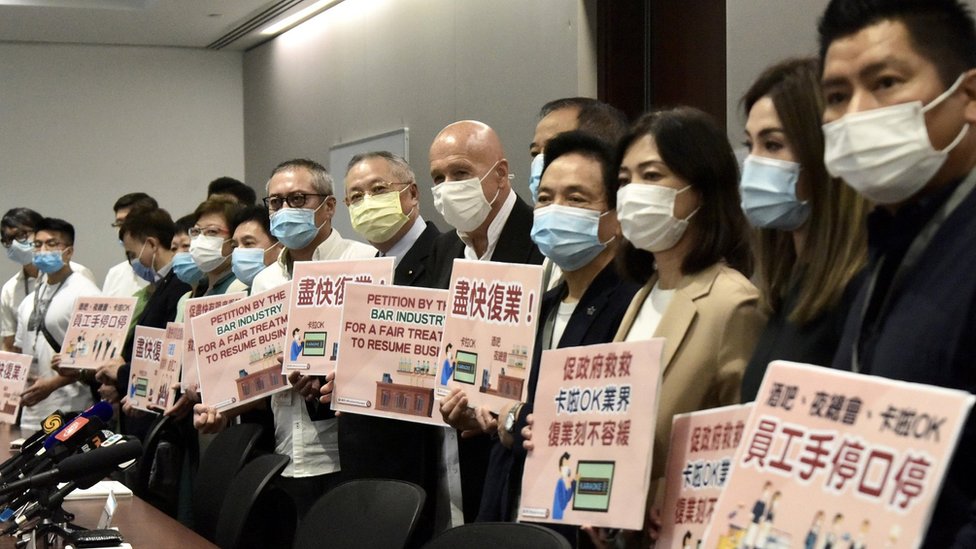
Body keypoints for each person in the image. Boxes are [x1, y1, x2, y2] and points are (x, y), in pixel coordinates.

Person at [818, 0, 976, 546]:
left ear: (969, 96)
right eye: (836, 97)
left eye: (885, 82)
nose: (856, 114)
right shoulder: (886, 246)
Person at [468, 131, 638, 547]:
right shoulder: (540, 305)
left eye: (576, 199)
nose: (554, 211)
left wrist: (514, 418)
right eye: (545, 199)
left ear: (615, 217)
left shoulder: (633, 305)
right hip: (511, 510)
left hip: (579, 523)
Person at [613, 107, 765, 543]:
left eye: (652, 175)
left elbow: (745, 445)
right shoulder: (644, 294)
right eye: (625, 180)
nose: (633, 192)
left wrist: (674, 494)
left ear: (702, 190)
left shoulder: (733, 304)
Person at [194, 158, 373, 519]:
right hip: (284, 452)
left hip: (347, 454)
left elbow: (376, 357)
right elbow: (258, 372)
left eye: (297, 199)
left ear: (329, 206)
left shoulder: (366, 262)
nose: (284, 210)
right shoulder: (264, 281)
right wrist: (222, 409)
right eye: (275, 202)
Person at [426, 120, 544, 524]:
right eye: (437, 178)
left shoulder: (540, 240)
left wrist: (500, 411)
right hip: (450, 458)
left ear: (499, 173)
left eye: (460, 173)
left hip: (516, 460)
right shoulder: (443, 249)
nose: (446, 187)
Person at [738, 57, 869, 401]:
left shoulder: (860, 285)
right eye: (749, 145)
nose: (753, 163)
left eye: (773, 145)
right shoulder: (787, 287)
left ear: (822, 151)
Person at [331, 150, 442, 545]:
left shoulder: (446, 256)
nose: (366, 204)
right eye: (355, 197)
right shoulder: (362, 273)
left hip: (422, 458)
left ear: (411, 195)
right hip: (367, 454)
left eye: (378, 190)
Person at [529, 98, 629, 291]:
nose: (542, 162)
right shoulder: (549, 252)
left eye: (558, 148)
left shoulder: (635, 289)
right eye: (535, 153)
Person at [13, 217, 101, 430]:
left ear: (68, 252)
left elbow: (95, 359)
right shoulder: (29, 299)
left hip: (71, 407)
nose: (42, 250)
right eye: (37, 244)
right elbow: (20, 351)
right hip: (30, 410)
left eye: (51, 244)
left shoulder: (86, 294)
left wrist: (52, 384)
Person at [2, 208, 96, 352]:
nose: (14, 244)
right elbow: (12, 344)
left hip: (67, 370)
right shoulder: (14, 291)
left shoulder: (80, 277)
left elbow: (91, 338)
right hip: (31, 370)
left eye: (21, 235)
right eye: (8, 239)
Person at [188, 198, 247, 296]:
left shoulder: (241, 288)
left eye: (212, 231)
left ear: (234, 238)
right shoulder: (201, 287)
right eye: (197, 231)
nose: (200, 239)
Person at [102, 193, 157, 297]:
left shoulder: (174, 273)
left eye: (128, 222)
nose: (122, 229)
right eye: (119, 223)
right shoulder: (115, 274)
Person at [229, 205, 281, 289]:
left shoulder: (293, 288)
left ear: (280, 245)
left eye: (248, 243)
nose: (239, 251)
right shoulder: (238, 293)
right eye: (234, 246)